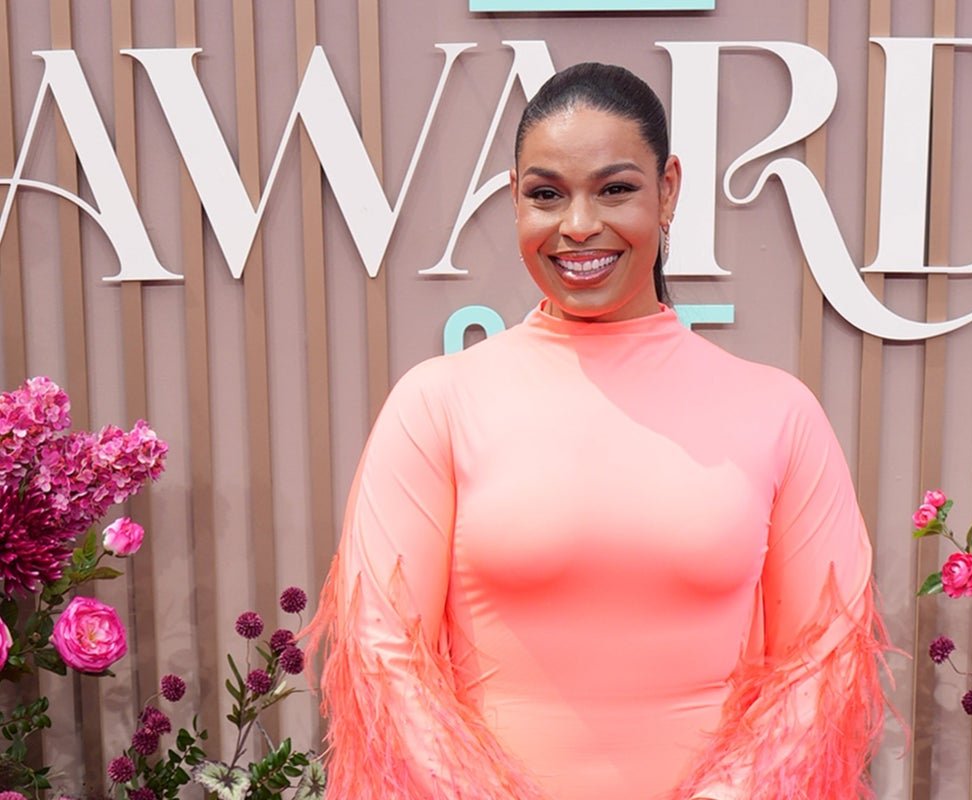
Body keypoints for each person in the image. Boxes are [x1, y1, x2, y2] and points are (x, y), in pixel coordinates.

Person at [307, 62, 889, 800]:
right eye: (546, 194)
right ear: (514, 200)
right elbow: (383, 655)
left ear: (668, 189)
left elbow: (822, 663)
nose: (578, 226)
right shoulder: (437, 403)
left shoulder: (779, 411)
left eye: (615, 189)